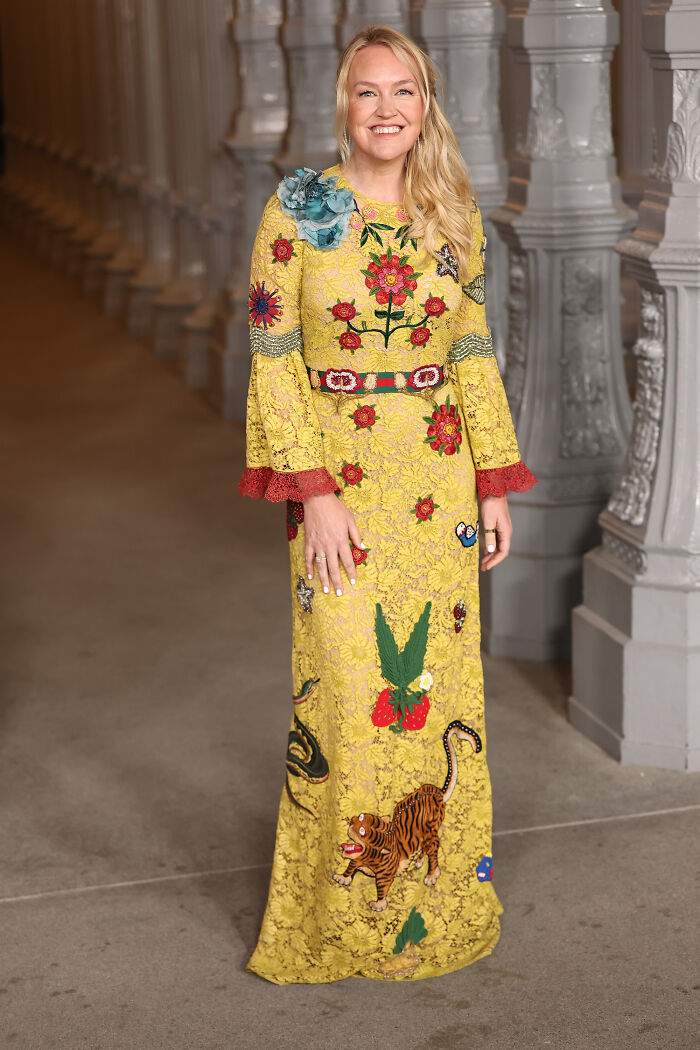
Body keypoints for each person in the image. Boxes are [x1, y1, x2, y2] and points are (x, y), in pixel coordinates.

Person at [239, 25, 536, 984]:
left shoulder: (453, 209)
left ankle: (429, 903)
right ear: (344, 105)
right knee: (347, 692)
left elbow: (474, 353)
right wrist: (314, 492)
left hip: (436, 483)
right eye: (367, 93)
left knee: (434, 696)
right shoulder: (300, 209)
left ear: (426, 103)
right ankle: (339, 916)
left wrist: (494, 482)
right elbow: (275, 356)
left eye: (403, 91)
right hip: (341, 486)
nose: (386, 110)